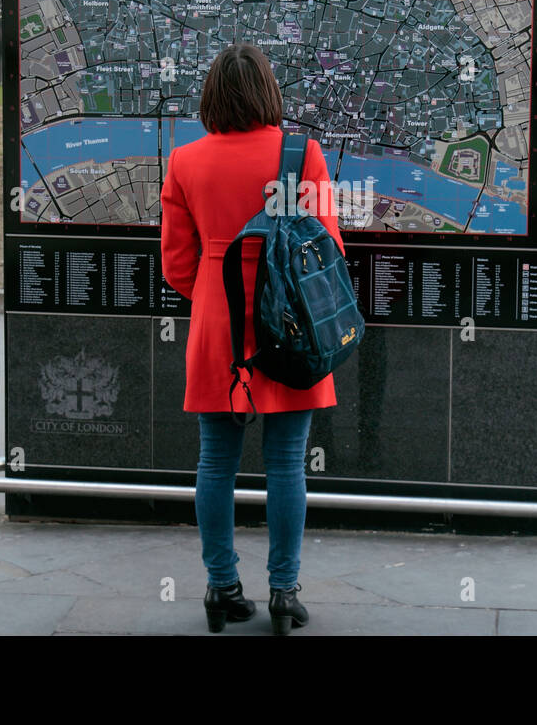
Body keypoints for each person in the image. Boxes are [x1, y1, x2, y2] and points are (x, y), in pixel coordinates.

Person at [160, 43, 344, 636]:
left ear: (212, 94)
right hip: (292, 323)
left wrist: (219, 294)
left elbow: (176, 265)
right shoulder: (302, 154)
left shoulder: (186, 161)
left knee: (215, 462)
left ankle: (221, 588)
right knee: (288, 463)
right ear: (268, 91)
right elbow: (327, 248)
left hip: (219, 325)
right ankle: (284, 593)